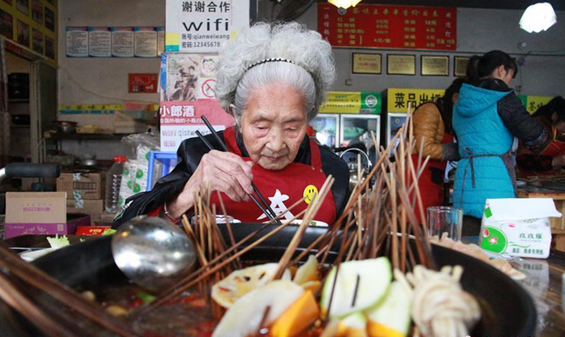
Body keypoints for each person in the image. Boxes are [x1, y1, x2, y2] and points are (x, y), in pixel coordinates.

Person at [114, 22, 350, 227]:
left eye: (292, 127)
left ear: (308, 117)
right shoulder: (200, 154)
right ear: (236, 115)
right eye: (261, 127)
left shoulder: (332, 170)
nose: (276, 145)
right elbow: (126, 226)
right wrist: (184, 197)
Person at [452, 50, 551, 235]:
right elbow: (535, 135)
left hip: (464, 183)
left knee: (468, 245)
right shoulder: (502, 98)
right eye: (511, 76)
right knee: (498, 244)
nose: (510, 83)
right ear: (501, 70)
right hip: (496, 181)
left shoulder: (460, 101)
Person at [411, 78, 463, 223]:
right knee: (416, 225)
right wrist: (458, 152)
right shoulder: (430, 110)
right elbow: (424, 147)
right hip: (416, 179)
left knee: (430, 225)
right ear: (456, 98)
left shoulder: (448, 119)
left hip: (433, 179)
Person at [517, 96, 565, 176]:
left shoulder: (558, 132)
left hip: (549, 179)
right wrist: (553, 161)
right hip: (528, 179)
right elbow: (522, 159)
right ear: (555, 115)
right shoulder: (535, 128)